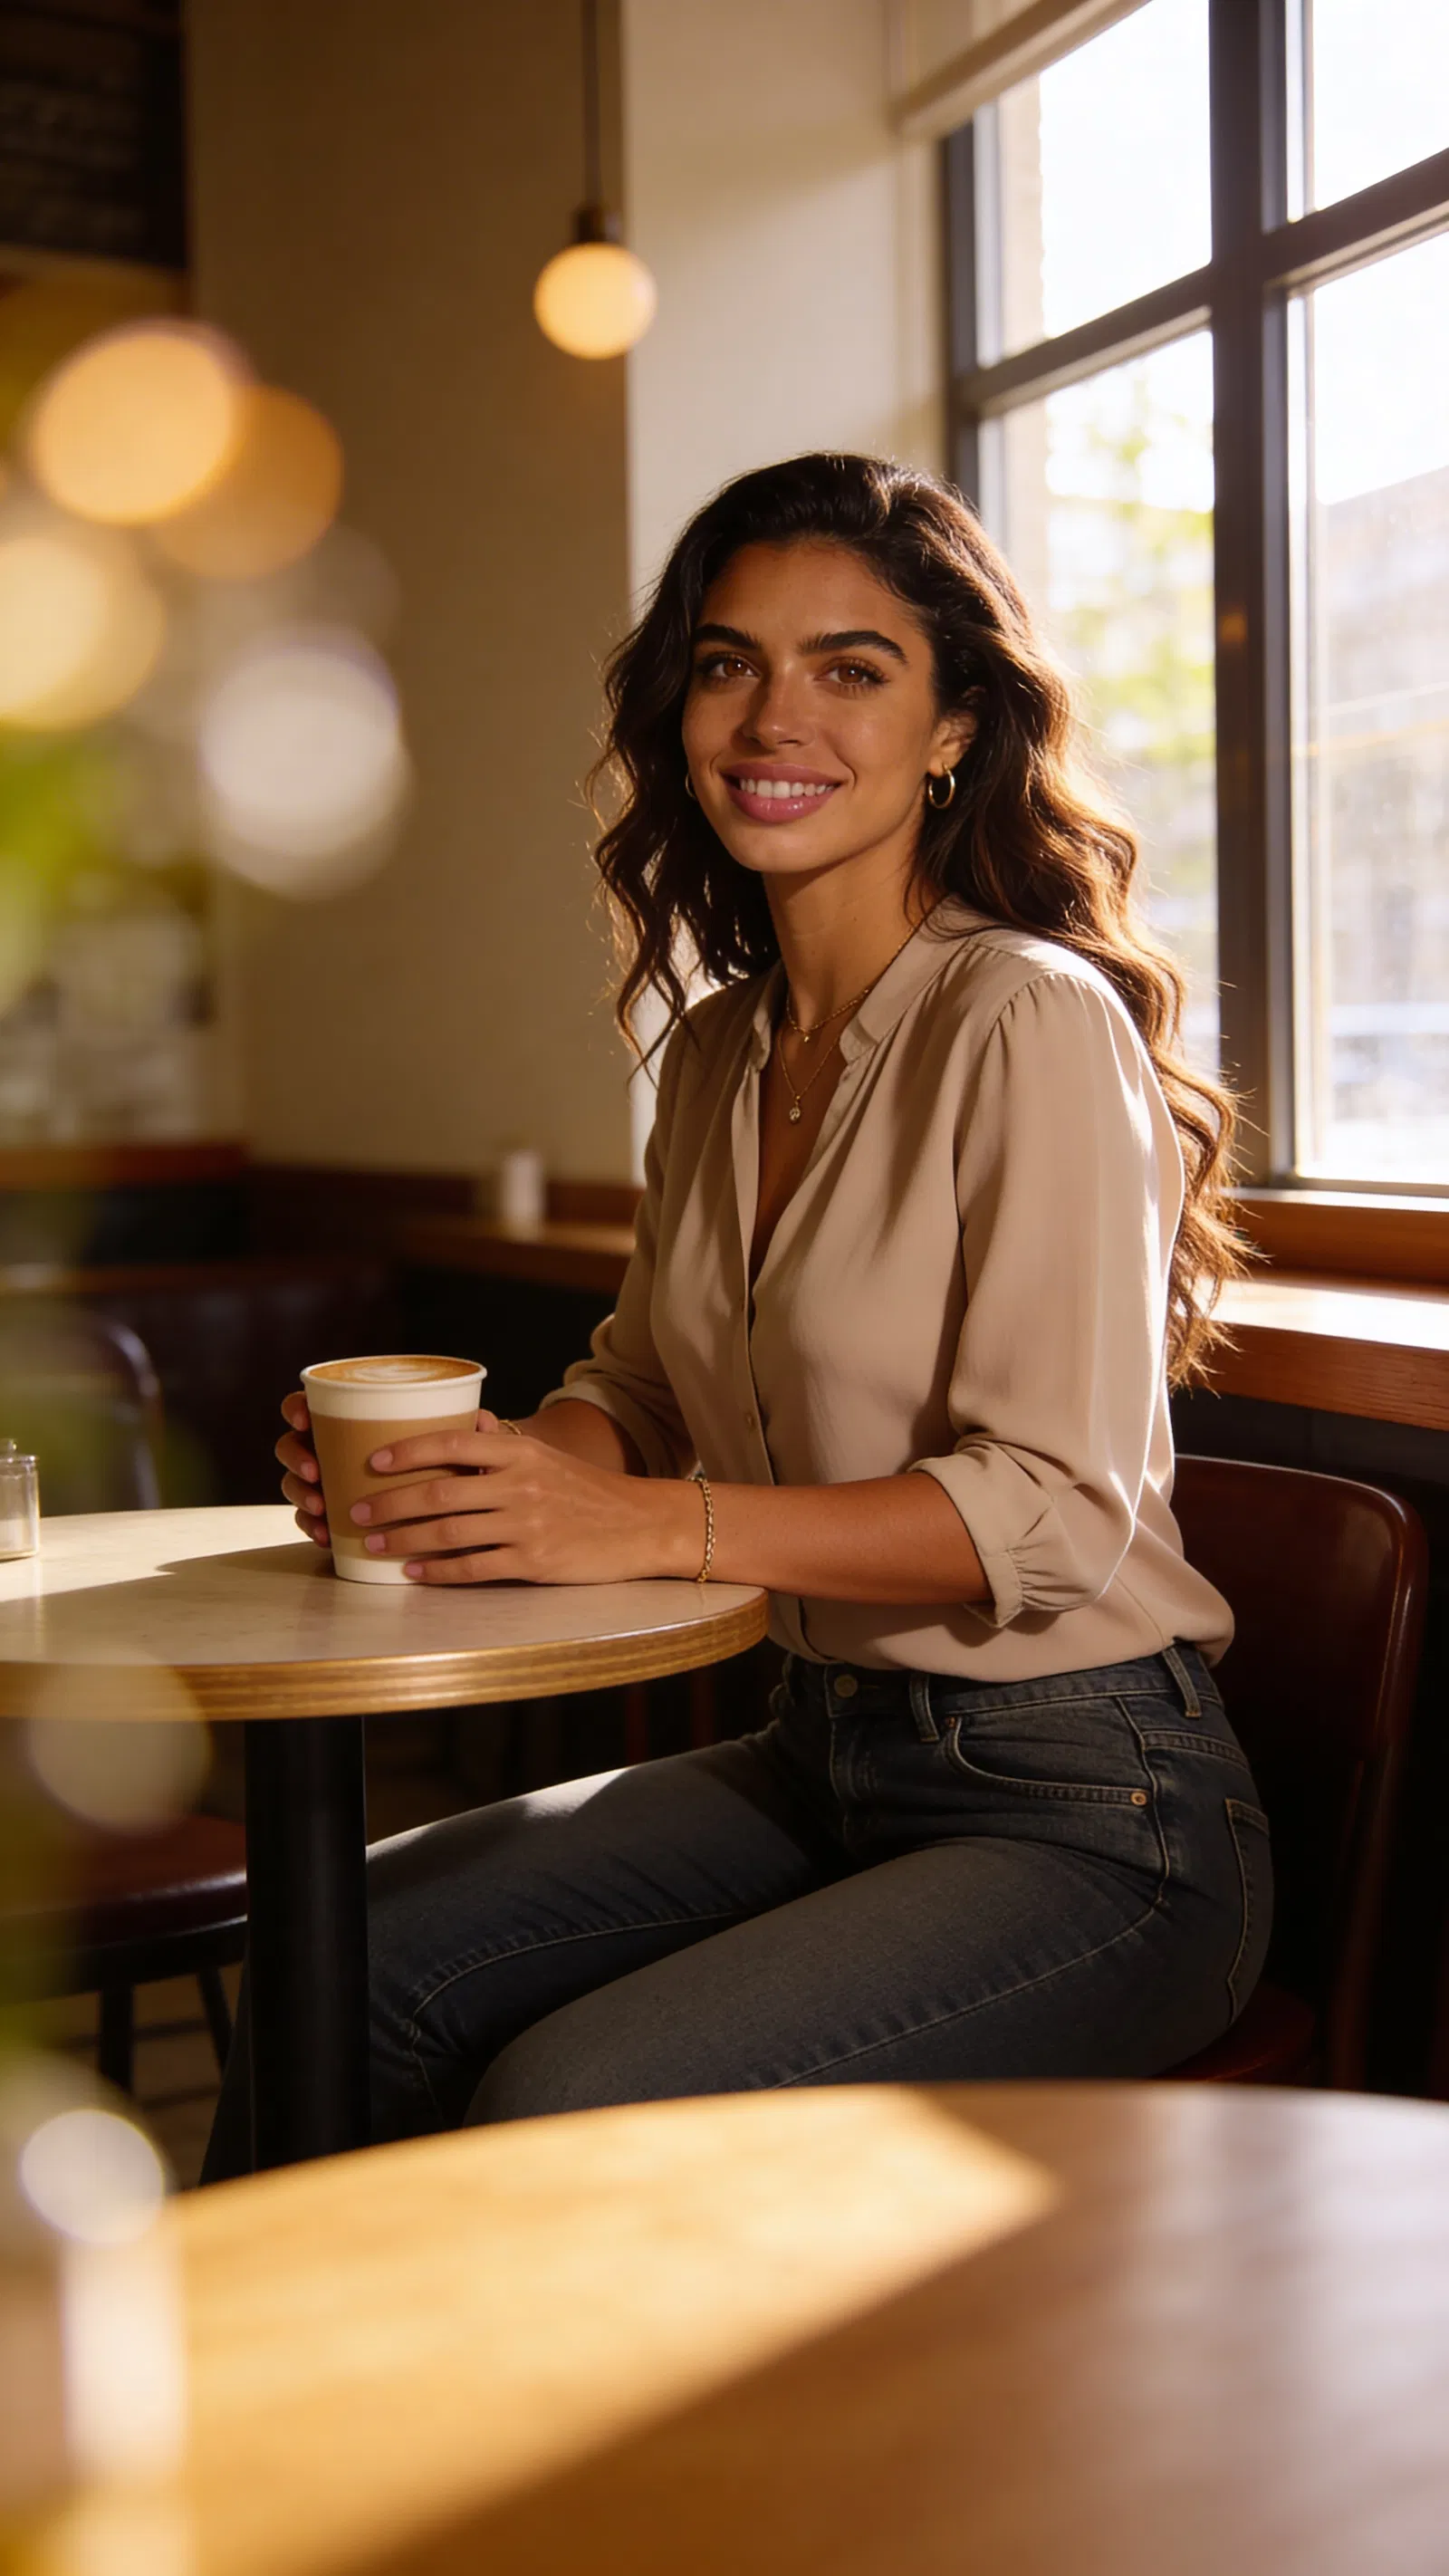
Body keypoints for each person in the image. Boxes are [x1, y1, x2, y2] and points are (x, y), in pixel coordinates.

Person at [206, 451, 1271, 2174]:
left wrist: (639, 1524)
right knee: (344, 1959)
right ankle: (260, 2364)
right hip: (814, 1754)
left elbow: (1055, 1508)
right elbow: (635, 1385)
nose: (777, 717)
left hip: (1090, 1813)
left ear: (954, 728)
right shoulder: (717, 1049)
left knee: (572, 2103)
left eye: (852, 668)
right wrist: (477, 1484)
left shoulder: (1027, 1015)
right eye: (729, 664)